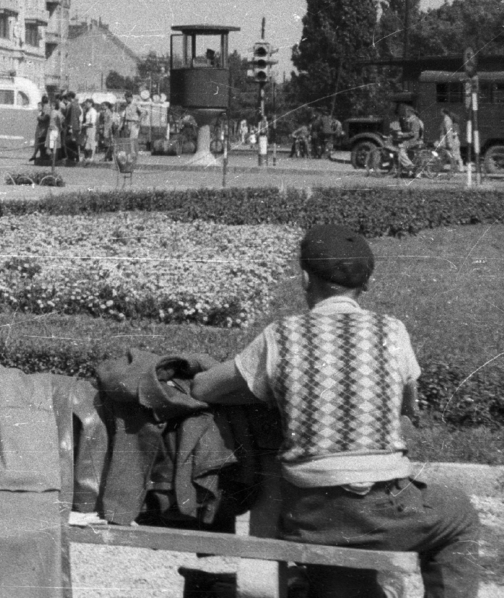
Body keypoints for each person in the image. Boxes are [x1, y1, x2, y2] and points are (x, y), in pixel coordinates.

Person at [191, 226, 480, 598]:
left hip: (310, 515)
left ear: (305, 278)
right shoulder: (392, 331)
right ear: (368, 284)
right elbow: (410, 404)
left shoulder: (280, 335)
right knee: (459, 516)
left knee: (344, 579)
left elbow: (205, 388)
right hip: (383, 506)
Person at [392, 102, 424, 172]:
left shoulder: (414, 121)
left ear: (410, 112)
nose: (405, 113)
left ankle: (411, 166)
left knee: (400, 150)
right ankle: (406, 169)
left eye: (407, 111)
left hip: (413, 141)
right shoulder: (411, 120)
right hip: (412, 140)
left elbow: (413, 133)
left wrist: (402, 134)